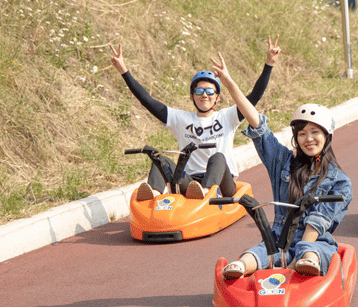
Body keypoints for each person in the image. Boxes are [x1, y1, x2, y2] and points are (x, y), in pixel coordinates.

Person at [210, 52, 352, 280]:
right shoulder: (283, 162)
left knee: (310, 252)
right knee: (258, 252)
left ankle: (306, 266)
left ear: (327, 136)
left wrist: (298, 256)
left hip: (315, 240)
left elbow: (319, 222)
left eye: (315, 132)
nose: (309, 139)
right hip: (277, 239)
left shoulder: (340, 182)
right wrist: (229, 83)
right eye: (302, 133)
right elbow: (257, 125)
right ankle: (240, 268)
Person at [110, 36, 281, 200]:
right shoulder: (180, 119)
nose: (204, 95)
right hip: (191, 183)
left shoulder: (227, 116)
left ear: (217, 97)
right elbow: (147, 100)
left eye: (210, 91)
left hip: (222, 183)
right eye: (199, 91)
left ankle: (207, 192)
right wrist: (124, 71)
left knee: (218, 157)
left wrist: (269, 64)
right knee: (158, 158)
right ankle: (154, 195)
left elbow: (254, 97)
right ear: (192, 96)